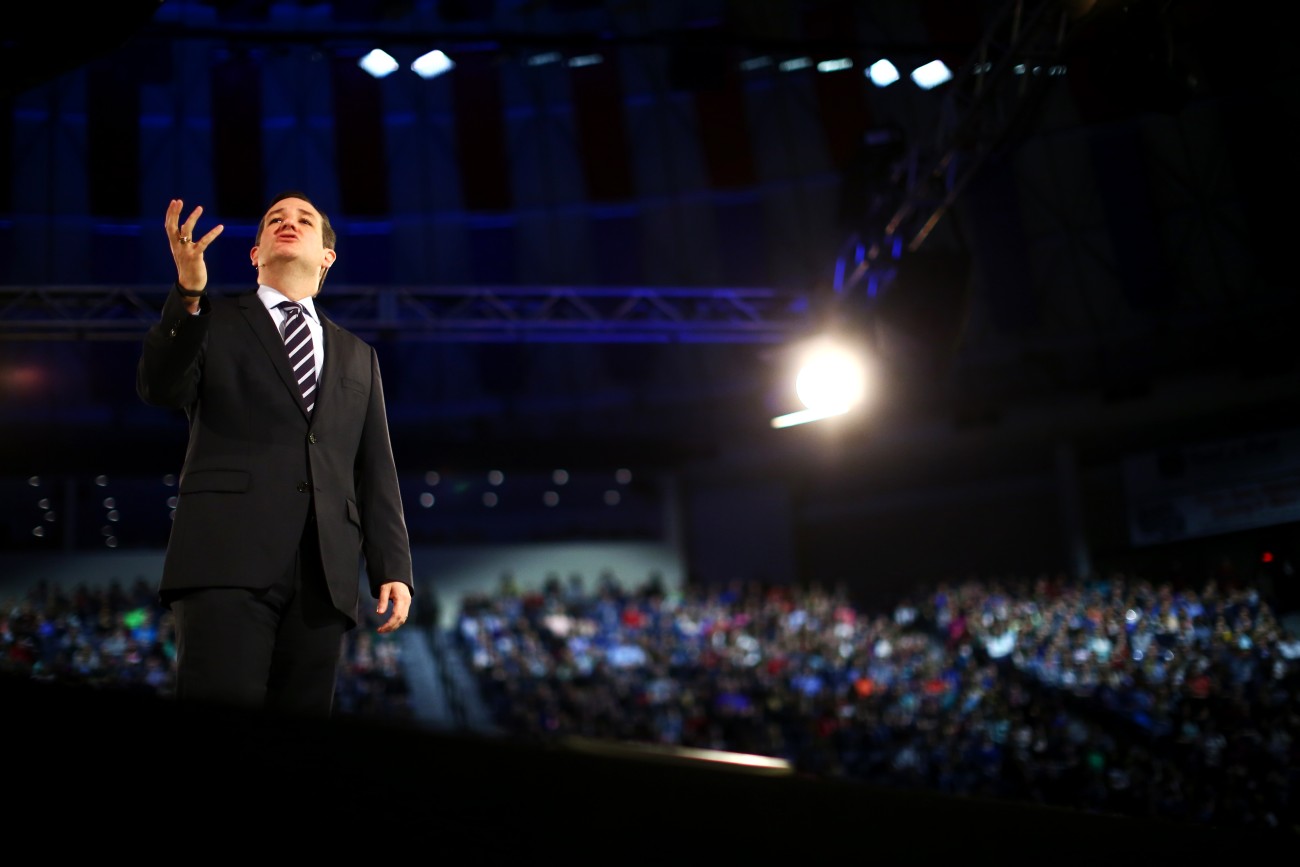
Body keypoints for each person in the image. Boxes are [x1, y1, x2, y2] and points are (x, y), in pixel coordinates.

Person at [136, 191, 414, 718]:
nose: (288, 223)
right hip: (225, 559)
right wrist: (188, 295)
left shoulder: (359, 355)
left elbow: (374, 465)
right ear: (255, 252)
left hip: (324, 575)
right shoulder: (211, 319)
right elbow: (161, 387)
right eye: (274, 220)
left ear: (327, 255)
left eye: (304, 219)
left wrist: (392, 566)